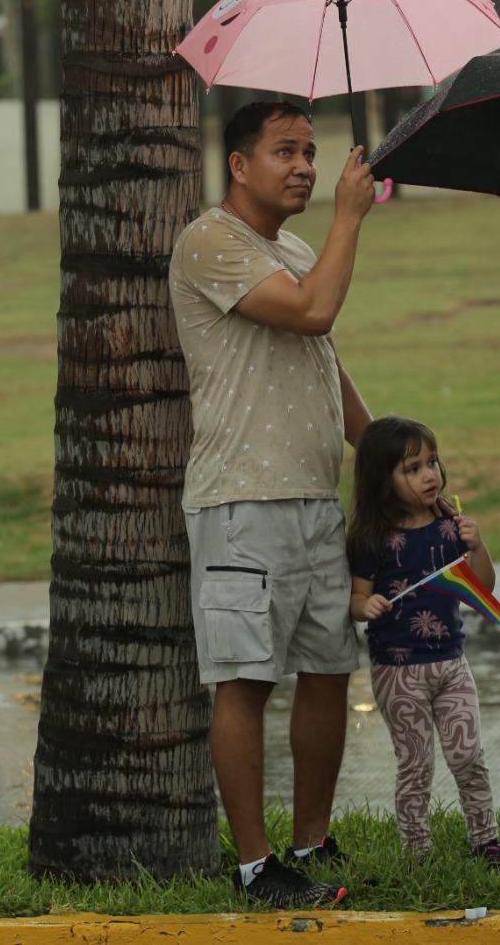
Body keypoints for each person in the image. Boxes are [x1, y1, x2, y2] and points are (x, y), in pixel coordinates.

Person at [169, 100, 377, 907]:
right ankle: (257, 867)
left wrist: (387, 451)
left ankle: (310, 840)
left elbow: (324, 355)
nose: (304, 167)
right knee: (247, 680)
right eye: (285, 151)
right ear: (239, 164)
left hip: (314, 500)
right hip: (241, 501)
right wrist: (350, 218)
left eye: (311, 153)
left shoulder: (292, 246)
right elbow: (313, 308)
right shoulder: (210, 242)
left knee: (327, 669)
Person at [345, 416, 500, 869]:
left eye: (432, 462)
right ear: (383, 479)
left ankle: (486, 840)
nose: (429, 474)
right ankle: (417, 851)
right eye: (412, 468)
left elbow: (484, 589)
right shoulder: (373, 538)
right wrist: (366, 605)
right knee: (415, 764)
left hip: (451, 662)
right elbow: (356, 597)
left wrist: (478, 547)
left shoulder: (450, 524)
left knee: (468, 754)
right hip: (398, 670)